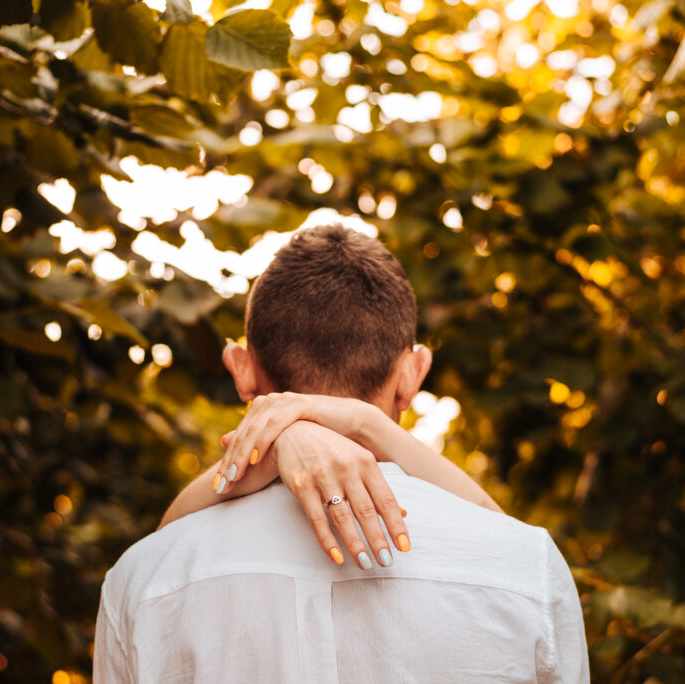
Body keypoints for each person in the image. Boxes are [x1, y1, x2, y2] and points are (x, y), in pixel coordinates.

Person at [94, 225, 590, 683]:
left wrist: (292, 432)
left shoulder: (144, 577)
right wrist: (356, 423)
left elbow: (162, 542)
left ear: (241, 369)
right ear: (413, 374)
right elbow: (500, 529)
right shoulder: (527, 565)